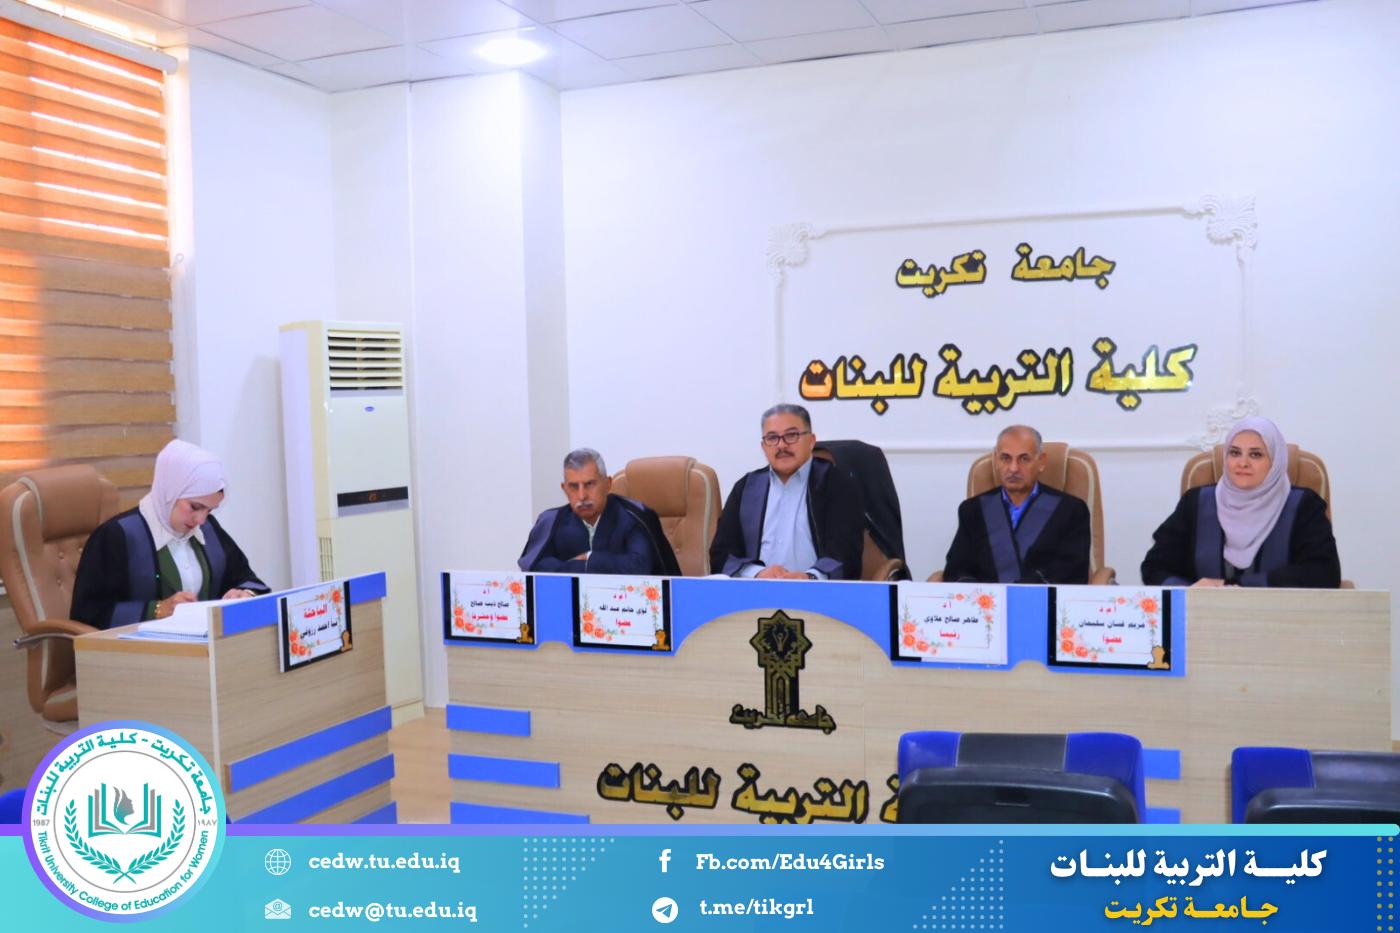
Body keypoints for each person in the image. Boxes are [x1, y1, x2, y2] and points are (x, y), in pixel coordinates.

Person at [71, 439, 268, 630]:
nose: (201, 520)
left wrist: (245, 595)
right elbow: (88, 613)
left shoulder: (208, 529)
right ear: (170, 491)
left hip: (202, 647)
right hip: (141, 649)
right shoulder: (117, 536)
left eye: (209, 511)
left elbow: (246, 579)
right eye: (195, 507)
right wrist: (157, 609)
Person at [1141, 417, 1340, 588]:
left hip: (1280, 616)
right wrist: (1189, 591)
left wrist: (1237, 587)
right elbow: (1155, 566)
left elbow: (1324, 573)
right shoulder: (1197, 502)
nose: (1242, 463)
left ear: (1275, 462)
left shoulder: (1303, 506)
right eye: (1235, 453)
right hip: (1205, 615)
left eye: (1256, 454)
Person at [709, 403, 864, 580]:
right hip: (757, 591)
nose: (781, 445)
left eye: (791, 435)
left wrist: (809, 577)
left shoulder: (836, 484)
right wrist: (757, 573)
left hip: (817, 592)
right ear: (763, 446)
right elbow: (722, 554)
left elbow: (846, 554)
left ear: (811, 441)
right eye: (772, 438)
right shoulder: (746, 488)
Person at [942, 425, 1090, 584]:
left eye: (1024, 459)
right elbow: (957, 568)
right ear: (996, 460)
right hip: (986, 598)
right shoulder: (972, 510)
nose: (1013, 468)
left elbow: (1073, 569)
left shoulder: (1071, 510)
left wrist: (1021, 591)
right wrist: (979, 594)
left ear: (1041, 462)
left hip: (1041, 597)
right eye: (1006, 458)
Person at [519, 449, 681, 575]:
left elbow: (639, 567)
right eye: (574, 486)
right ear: (564, 489)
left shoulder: (633, 517)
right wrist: (586, 566)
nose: (582, 496)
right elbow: (534, 568)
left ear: (608, 484)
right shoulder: (552, 521)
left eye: (589, 484)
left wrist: (591, 559)